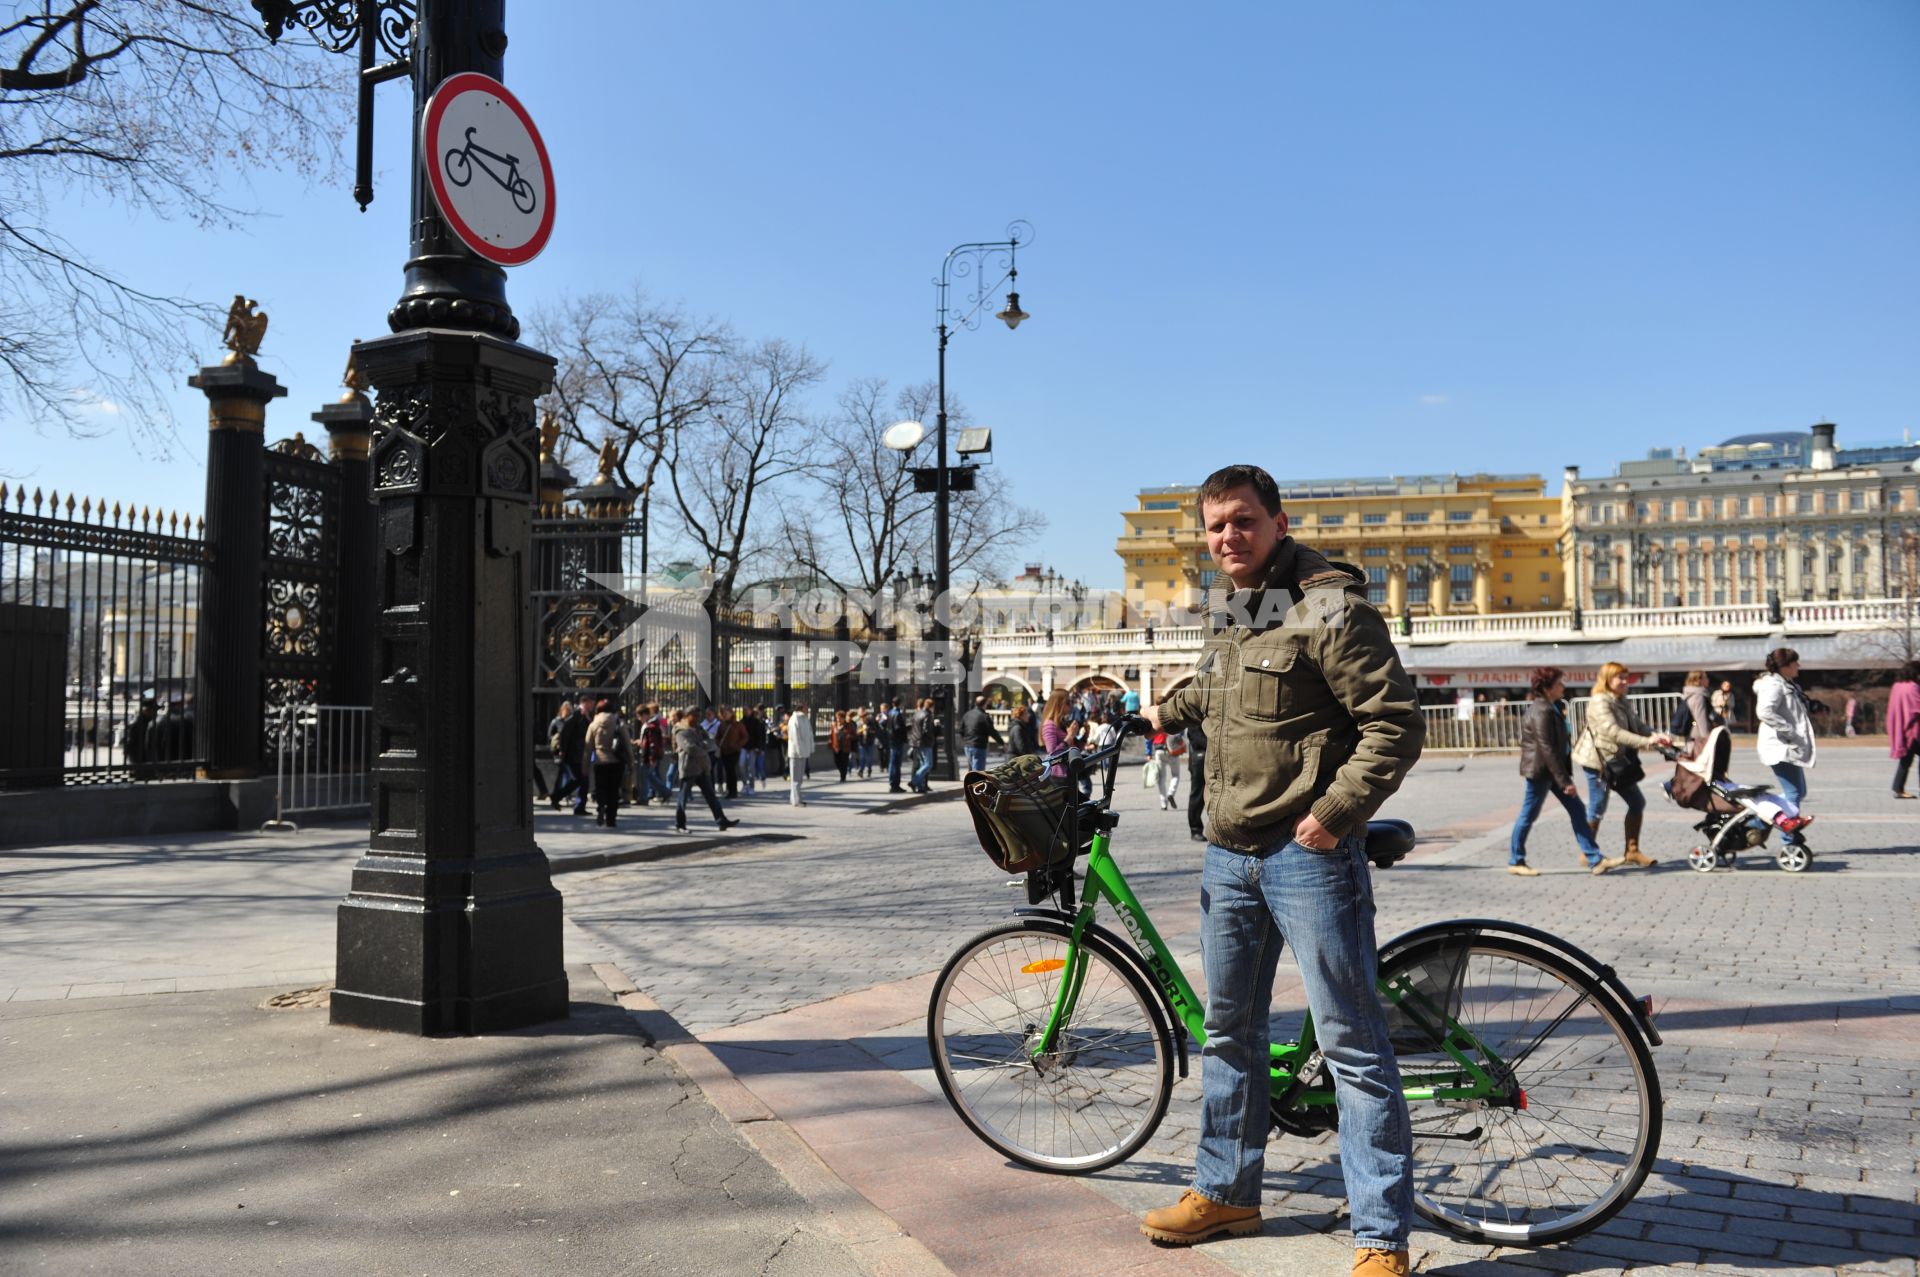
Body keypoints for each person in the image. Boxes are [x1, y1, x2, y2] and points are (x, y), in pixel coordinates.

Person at [1140, 464, 1424, 1277]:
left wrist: (1333, 816)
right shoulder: (1234, 606)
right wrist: (1162, 708)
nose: (1227, 537)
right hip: (1229, 855)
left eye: (1242, 521)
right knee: (1228, 1032)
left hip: (1306, 856)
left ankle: (1380, 1238)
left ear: (1277, 521)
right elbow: (1223, 691)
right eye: (1214, 525)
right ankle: (1226, 1192)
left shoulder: (1328, 603)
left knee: (1351, 1044)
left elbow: (1394, 724)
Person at [1571, 661, 1673, 874]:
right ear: (1607, 680)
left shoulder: (1621, 699)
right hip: (1598, 761)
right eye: (1621, 678)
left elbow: (1637, 725)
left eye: (1627, 677)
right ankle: (1588, 853)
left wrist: (1656, 735)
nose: (1626, 681)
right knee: (1597, 806)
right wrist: (1646, 743)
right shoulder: (1600, 702)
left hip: (1616, 760)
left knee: (1637, 802)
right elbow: (1613, 732)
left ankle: (1632, 851)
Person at [1509, 667, 1607, 874]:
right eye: (1559, 683)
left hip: (1552, 772)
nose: (1563, 687)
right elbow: (1547, 748)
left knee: (1577, 810)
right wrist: (1565, 782)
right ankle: (1516, 861)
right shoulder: (1541, 710)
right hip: (1542, 772)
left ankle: (1595, 859)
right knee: (1528, 814)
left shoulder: (1551, 707)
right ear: (1546, 688)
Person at [1754, 647, 1816, 815]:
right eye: (1795, 662)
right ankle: (1787, 838)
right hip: (1779, 745)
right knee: (1794, 793)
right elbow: (1765, 711)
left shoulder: (1786, 683)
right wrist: (1789, 731)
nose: (1798, 665)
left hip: (1787, 745)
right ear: (1784, 666)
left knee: (1799, 792)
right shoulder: (1773, 685)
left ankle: (1764, 818)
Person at [672, 708, 736, 834]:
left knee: (711, 796)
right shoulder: (681, 730)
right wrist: (704, 748)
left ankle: (721, 820)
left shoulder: (698, 729)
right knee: (683, 798)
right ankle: (680, 824)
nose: (697, 719)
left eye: (699, 716)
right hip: (689, 768)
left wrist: (703, 746)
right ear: (688, 716)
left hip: (702, 767)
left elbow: (711, 741)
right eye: (695, 716)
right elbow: (690, 748)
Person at [585, 697, 631, 828]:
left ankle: (600, 808)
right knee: (614, 790)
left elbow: (588, 747)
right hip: (616, 761)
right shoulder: (618, 722)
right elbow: (627, 743)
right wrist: (631, 761)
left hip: (600, 760)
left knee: (600, 788)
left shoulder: (593, 724)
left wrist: (585, 765)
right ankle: (611, 819)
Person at [1888, 660, 1920, 799]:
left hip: (1902, 728)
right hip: (1913, 729)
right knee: (1907, 759)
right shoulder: (1913, 687)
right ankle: (1898, 788)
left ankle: (1898, 788)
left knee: (1906, 759)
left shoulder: (1897, 686)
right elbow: (1917, 706)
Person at [554, 698, 591, 816]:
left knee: (581, 780)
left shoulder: (586, 716)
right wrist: (563, 750)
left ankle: (578, 805)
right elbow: (566, 733)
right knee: (581, 779)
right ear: (585, 702)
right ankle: (558, 797)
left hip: (580, 754)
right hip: (574, 754)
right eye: (590, 703)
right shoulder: (576, 715)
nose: (592, 705)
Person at [1668, 670, 1715, 753]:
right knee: (1697, 762)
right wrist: (1708, 741)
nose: (1708, 680)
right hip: (1697, 737)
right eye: (1705, 677)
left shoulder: (1690, 694)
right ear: (1698, 680)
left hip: (1691, 736)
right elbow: (1701, 720)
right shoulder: (1698, 697)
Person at [959, 693, 1005, 773]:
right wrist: (1001, 743)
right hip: (979, 746)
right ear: (985, 704)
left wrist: (966, 740)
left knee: (971, 770)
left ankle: (970, 784)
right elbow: (992, 731)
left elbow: (961, 730)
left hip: (967, 746)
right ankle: (975, 784)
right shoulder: (984, 716)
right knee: (978, 772)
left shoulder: (967, 714)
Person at [1038, 689, 1072, 780]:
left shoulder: (1061, 723)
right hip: (1057, 776)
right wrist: (1068, 738)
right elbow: (1052, 753)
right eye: (1068, 702)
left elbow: (1072, 749)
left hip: (1068, 772)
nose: (1071, 705)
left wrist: (1083, 737)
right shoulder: (1050, 724)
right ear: (1059, 704)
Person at [786, 701, 816, 806]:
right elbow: (795, 738)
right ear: (801, 708)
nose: (807, 709)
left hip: (803, 752)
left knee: (799, 778)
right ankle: (796, 800)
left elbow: (810, 734)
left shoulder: (805, 719)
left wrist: (810, 747)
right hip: (796, 753)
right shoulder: (794, 719)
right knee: (795, 778)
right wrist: (799, 751)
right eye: (806, 707)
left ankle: (795, 798)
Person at [1185, 719, 1208, 843]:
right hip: (1200, 760)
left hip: (1211, 758)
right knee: (1197, 796)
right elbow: (1196, 737)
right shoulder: (1194, 717)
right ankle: (1195, 829)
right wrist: (1216, 745)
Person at [1153, 726, 1186, 812]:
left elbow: (1148, 737)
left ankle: (1163, 804)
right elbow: (1181, 732)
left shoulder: (1155, 721)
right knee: (1175, 775)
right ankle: (1171, 793)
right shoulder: (1172, 718)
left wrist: (1148, 752)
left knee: (1161, 778)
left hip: (1159, 750)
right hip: (1173, 750)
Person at [717, 707, 748, 799]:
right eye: (724, 714)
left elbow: (745, 737)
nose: (725, 715)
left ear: (731, 714)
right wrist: (719, 744)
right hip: (724, 750)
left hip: (734, 750)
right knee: (727, 770)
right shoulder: (721, 725)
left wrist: (738, 745)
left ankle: (733, 791)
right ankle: (729, 790)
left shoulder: (738, 725)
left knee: (731, 770)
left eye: (727, 713)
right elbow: (717, 737)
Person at [909, 698, 936, 793]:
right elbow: (926, 730)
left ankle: (920, 786)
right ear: (931, 706)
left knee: (922, 763)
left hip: (916, 741)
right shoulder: (927, 715)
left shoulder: (917, 713)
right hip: (924, 742)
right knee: (928, 764)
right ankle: (914, 781)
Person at [886, 698, 909, 792]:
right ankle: (895, 784)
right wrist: (906, 728)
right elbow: (898, 728)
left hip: (892, 740)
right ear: (900, 704)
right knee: (896, 763)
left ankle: (893, 783)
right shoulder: (897, 714)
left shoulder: (890, 712)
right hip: (897, 741)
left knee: (893, 763)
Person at [829, 709, 853, 782]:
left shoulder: (848, 725)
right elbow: (831, 734)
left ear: (843, 718)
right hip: (836, 746)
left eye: (840, 718)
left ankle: (843, 776)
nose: (838, 719)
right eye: (837, 718)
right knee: (836, 761)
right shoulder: (834, 725)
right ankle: (842, 772)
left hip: (845, 747)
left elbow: (854, 734)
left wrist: (850, 736)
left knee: (844, 762)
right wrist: (830, 741)